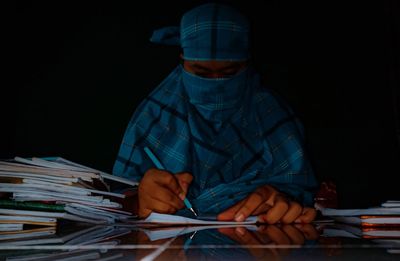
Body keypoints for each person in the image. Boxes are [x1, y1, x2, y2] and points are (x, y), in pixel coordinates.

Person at [113, 3, 318, 224]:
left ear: (247, 63)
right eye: (200, 74)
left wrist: (284, 199)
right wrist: (137, 201)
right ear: (182, 59)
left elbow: (300, 190)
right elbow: (114, 198)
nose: (215, 86)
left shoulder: (272, 116)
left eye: (229, 73)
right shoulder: (155, 116)